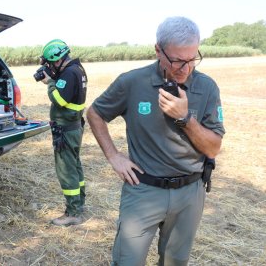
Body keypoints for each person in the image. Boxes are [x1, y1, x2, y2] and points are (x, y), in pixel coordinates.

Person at [86, 17, 225, 265]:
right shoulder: (132, 82)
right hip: (143, 191)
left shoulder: (207, 88)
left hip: (190, 193)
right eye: (177, 60)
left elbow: (213, 147)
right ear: (158, 50)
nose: (186, 68)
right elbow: (95, 113)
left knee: (175, 261)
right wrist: (113, 156)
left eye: (192, 59)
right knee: (127, 260)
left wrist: (185, 118)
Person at [37, 39, 88, 226]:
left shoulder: (68, 74)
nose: (50, 67)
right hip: (74, 126)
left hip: (66, 130)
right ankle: (79, 204)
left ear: (57, 60)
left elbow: (59, 98)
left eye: (51, 64)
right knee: (75, 166)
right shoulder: (77, 70)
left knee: (66, 171)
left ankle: (73, 213)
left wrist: (50, 83)